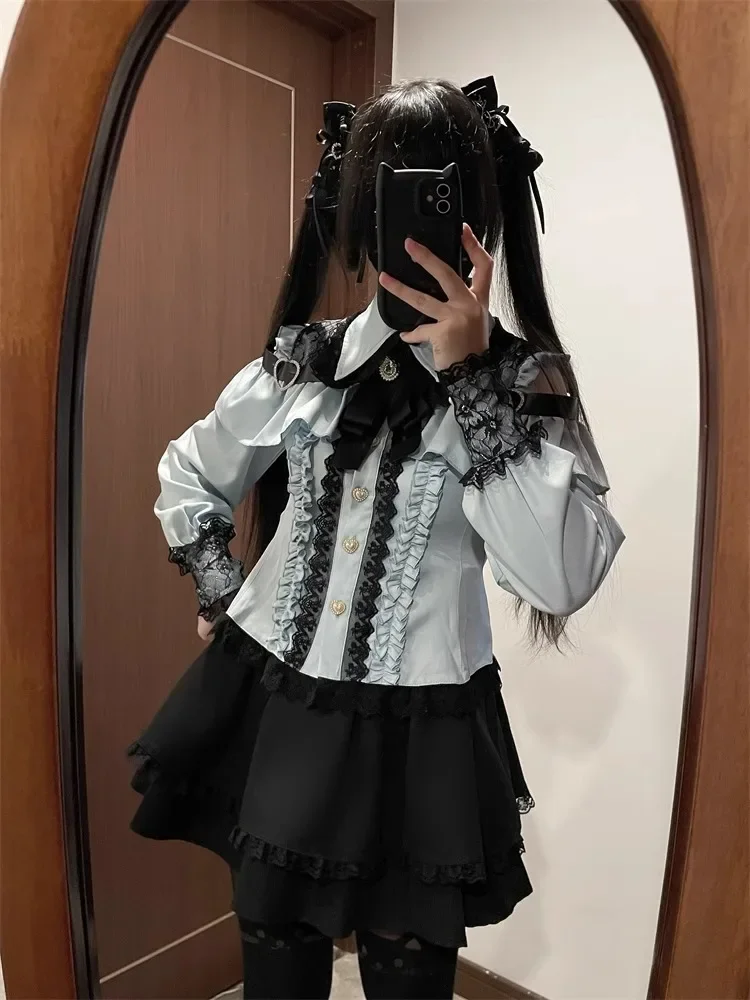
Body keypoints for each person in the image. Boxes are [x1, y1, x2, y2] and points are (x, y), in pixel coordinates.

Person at [128, 75, 624, 1000]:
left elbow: (560, 578)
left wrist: (471, 380)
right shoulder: (303, 364)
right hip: (278, 701)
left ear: (482, 214)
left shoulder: (526, 386)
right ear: (360, 213)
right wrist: (217, 584)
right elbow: (189, 471)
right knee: (275, 950)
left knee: (406, 965)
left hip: (421, 729)